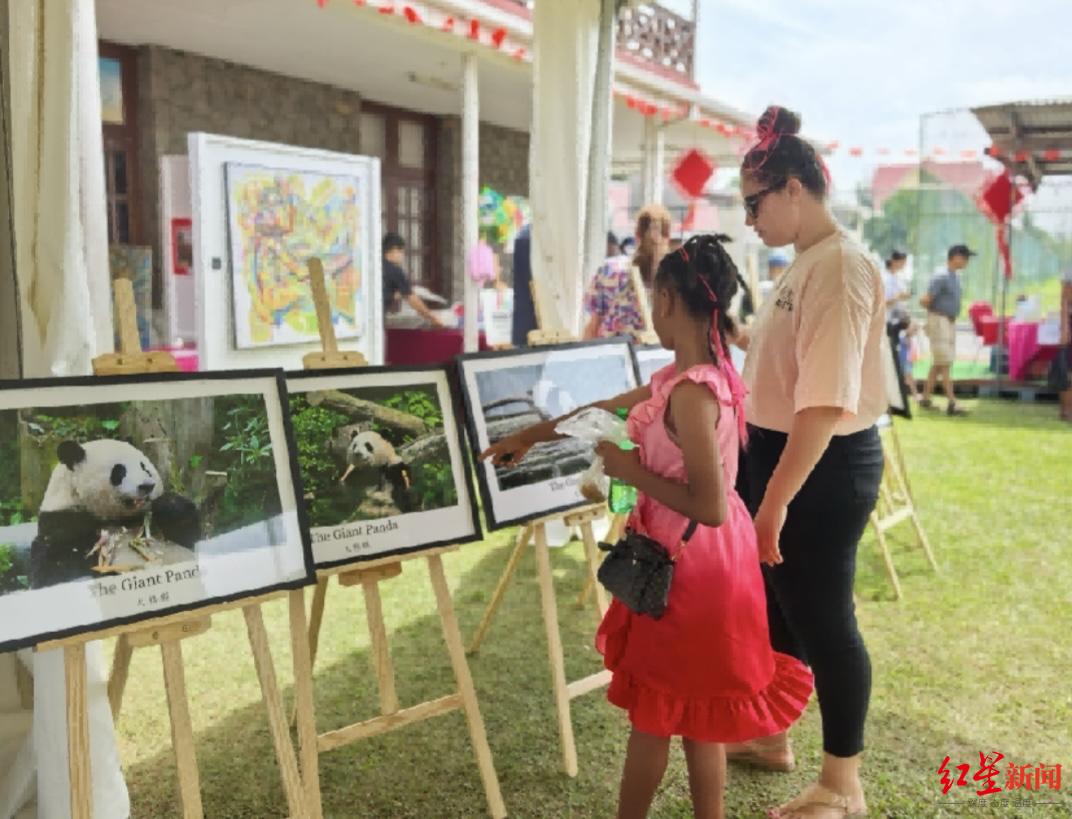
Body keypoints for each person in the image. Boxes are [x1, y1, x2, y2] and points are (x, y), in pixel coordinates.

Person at [482, 234, 812, 819]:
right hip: (712, 559)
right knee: (700, 716)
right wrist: (528, 437)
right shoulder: (699, 376)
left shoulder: (690, 392)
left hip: (690, 567)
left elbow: (708, 503)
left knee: (657, 716)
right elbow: (603, 411)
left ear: (664, 302)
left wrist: (629, 468)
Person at [734, 105, 887, 819]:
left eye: (753, 203)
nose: (749, 219)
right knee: (780, 606)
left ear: (794, 187)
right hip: (782, 458)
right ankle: (772, 733)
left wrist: (775, 500)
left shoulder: (843, 267)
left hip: (817, 466)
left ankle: (842, 784)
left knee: (825, 617)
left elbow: (825, 403)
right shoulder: (804, 263)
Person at [583, 204, 672, 339]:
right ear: (668, 237)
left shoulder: (609, 271)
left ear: (637, 235)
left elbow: (594, 325)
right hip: (653, 356)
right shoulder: (677, 282)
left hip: (612, 354)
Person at [919, 245, 974, 415]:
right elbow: (925, 300)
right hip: (939, 320)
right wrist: (933, 316)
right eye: (965, 257)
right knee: (944, 363)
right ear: (955, 256)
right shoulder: (941, 276)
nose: (966, 261)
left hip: (948, 322)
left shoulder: (954, 276)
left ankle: (926, 398)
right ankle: (952, 402)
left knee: (940, 362)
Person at [382, 232, 445, 328]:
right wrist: (431, 317)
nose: (402, 256)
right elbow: (412, 299)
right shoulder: (395, 271)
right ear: (394, 249)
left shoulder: (378, 266)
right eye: (401, 252)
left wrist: (396, 295)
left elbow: (383, 292)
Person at [883, 250, 921, 400]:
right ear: (894, 261)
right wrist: (898, 297)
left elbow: (899, 306)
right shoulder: (885, 278)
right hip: (889, 325)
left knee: (903, 360)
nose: (904, 265)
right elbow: (883, 303)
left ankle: (909, 393)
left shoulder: (896, 279)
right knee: (894, 361)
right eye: (902, 262)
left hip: (899, 326)